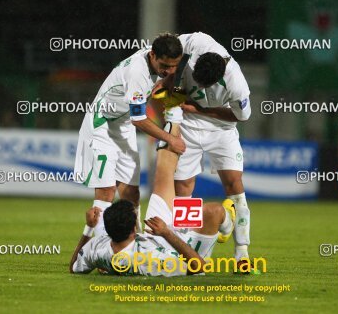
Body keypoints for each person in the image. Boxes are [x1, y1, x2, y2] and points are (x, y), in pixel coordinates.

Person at [69, 106, 236, 276]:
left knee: (163, 165)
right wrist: (166, 233)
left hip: (154, 232)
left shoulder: (99, 247)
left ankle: (173, 111)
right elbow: (198, 267)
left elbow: (74, 268)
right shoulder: (149, 261)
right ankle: (227, 225)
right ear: (134, 230)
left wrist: (89, 228)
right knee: (214, 211)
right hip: (182, 247)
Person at [73, 33, 186, 235]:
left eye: (174, 65)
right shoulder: (137, 72)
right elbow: (139, 119)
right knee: (107, 191)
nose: (169, 70)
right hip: (103, 125)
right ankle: (99, 249)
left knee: (132, 193)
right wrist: (170, 138)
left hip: (123, 125)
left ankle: (134, 242)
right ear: (152, 55)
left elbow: (167, 75)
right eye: (165, 66)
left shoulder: (162, 59)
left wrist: (169, 84)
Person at [174, 32, 252, 264]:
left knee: (234, 185)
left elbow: (241, 117)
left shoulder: (237, 84)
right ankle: (188, 249)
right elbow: (167, 46)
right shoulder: (196, 42)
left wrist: (201, 110)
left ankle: (242, 254)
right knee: (183, 189)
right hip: (187, 124)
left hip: (221, 128)